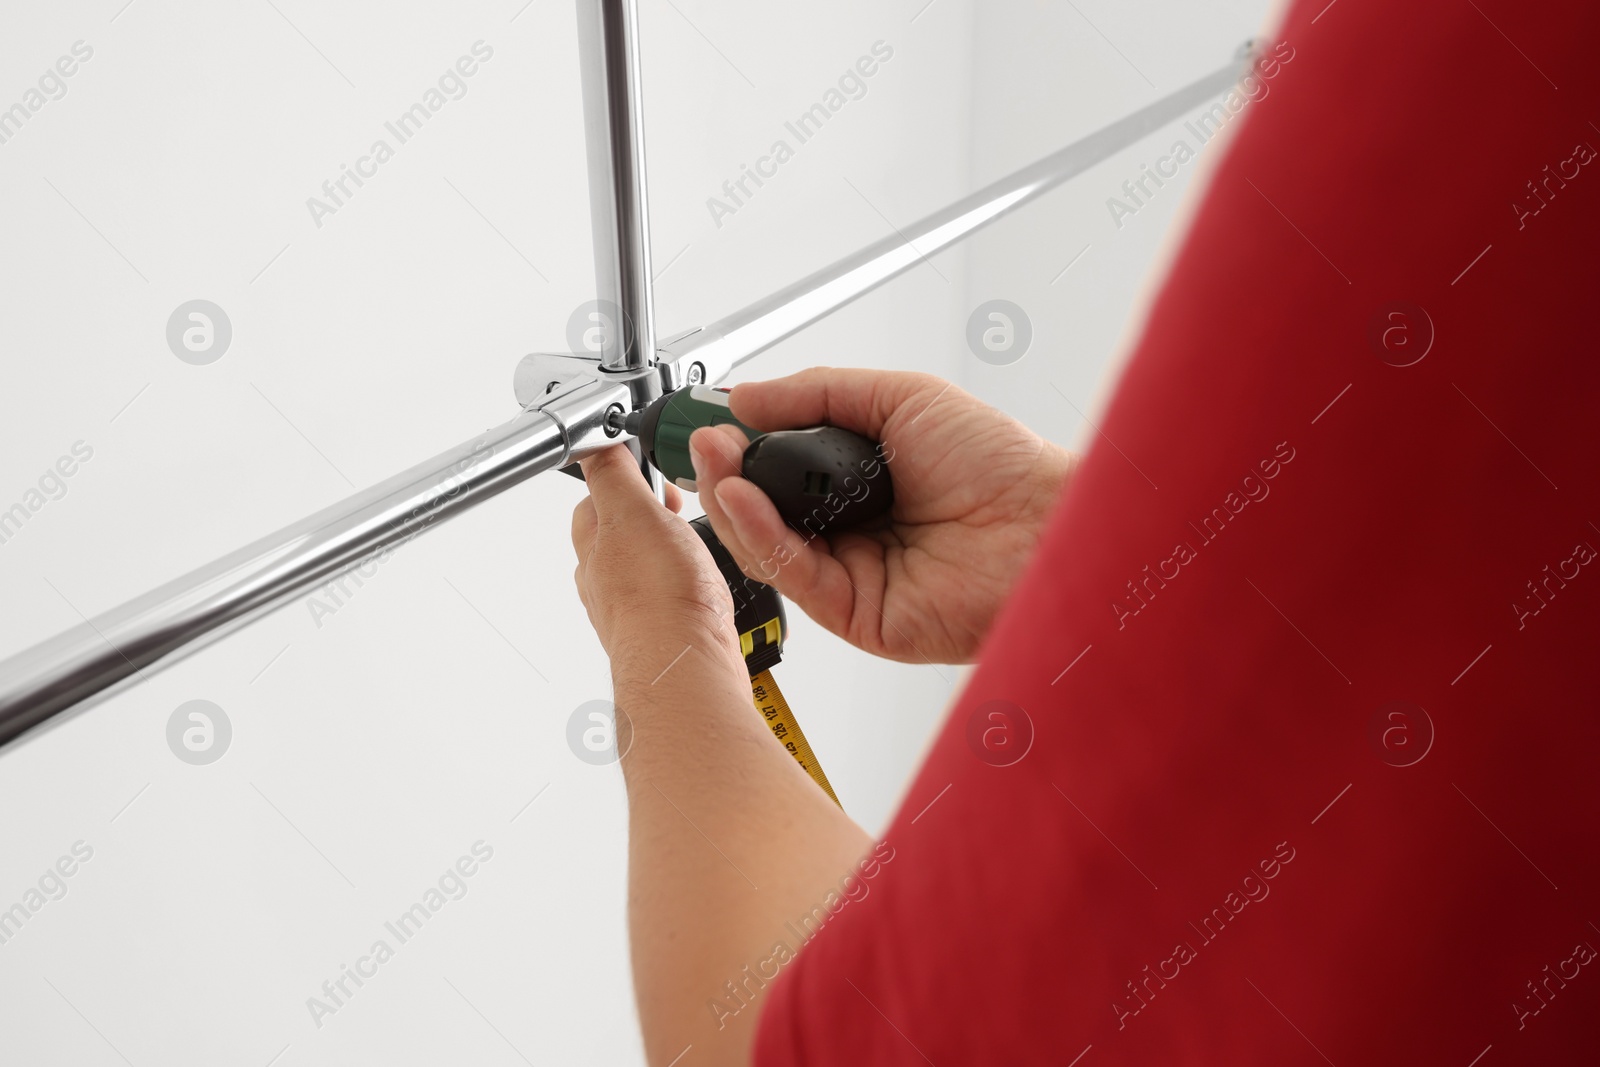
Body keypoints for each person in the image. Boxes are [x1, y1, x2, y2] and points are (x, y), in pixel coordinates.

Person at [571, 0, 1600, 1062]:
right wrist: (1072, 548)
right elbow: (1437, 595)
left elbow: (849, 1044)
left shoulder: (1475, 74)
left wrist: (671, 644)